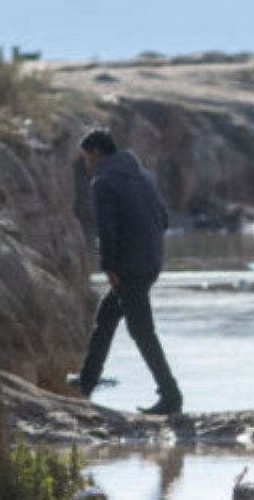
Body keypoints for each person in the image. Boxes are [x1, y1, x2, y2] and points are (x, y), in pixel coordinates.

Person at [73, 128, 183, 416]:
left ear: (96, 152)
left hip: (127, 268)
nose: (85, 163)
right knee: (106, 319)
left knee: (142, 331)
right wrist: (152, 258)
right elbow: (163, 219)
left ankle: (171, 395)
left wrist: (108, 266)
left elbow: (107, 230)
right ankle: (86, 383)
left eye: (86, 157)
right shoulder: (142, 175)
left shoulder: (103, 182)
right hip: (149, 263)